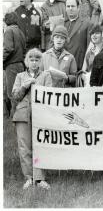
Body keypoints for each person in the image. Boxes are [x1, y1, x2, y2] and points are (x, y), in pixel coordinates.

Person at [12, 48, 52, 190]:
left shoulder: (46, 76)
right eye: (31, 60)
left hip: (40, 115)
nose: (34, 63)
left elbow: (51, 96)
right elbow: (15, 97)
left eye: (37, 60)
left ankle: (40, 178)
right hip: (22, 115)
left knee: (40, 146)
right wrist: (24, 86)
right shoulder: (20, 76)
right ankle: (29, 178)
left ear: (41, 62)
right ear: (26, 62)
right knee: (24, 147)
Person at [3, 12, 26, 117]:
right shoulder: (20, 32)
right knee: (19, 94)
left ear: (6, 21)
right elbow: (24, 50)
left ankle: (15, 120)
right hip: (21, 65)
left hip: (11, 65)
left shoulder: (8, 31)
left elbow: (8, 48)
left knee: (12, 95)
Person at [64, 0, 92, 71]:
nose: (70, 9)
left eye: (73, 6)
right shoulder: (61, 24)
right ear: (65, 8)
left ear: (78, 8)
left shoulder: (86, 24)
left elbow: (89, 48)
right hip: (63, 67)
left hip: (79, 66)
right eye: (68, 6)